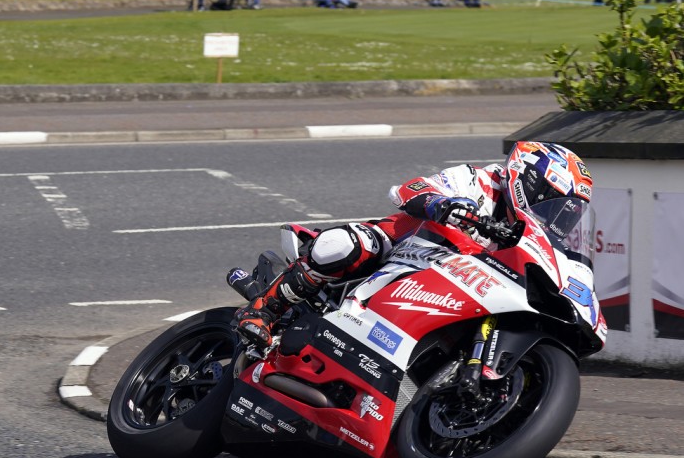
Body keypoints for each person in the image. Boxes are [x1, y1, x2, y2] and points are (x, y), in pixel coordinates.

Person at [232, 140, 594, 349]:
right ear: (528, 180)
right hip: (403, 246)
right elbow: (409, 189)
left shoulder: (527, 235)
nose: (558, 218)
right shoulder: (476, 180)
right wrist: (445, 204)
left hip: (451, 288)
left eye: (568, 214)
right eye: (554, 204)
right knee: (346, 245)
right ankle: (264, 310)